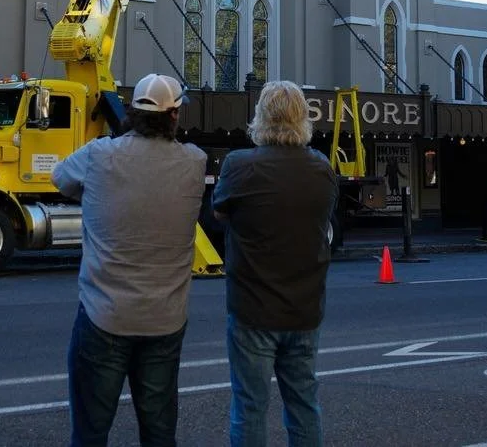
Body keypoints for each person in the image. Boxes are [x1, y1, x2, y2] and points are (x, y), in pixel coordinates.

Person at [52, 73, 207, 447]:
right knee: (158, 432)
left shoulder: (99, 155)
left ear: (132, 112)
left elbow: (60, 178)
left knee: (90, 432)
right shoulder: (194, 162)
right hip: (164, 320)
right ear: (173, 116)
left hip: (103, 315)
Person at [213, 80, 338, 447]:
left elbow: (219, 213)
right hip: (304, 308)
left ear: (261, 117)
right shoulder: (321, 168)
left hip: (252, 308)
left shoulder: (239, 165)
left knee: (250, 407)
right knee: (303, 405)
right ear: (303, 119)